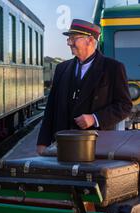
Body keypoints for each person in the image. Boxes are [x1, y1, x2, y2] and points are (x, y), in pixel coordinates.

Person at [37, 19, 132, 155]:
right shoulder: (61, 68)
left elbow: (124, 106)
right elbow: (51, 108)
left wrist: (95, 118)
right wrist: (43, 142)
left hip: (96, 147)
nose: (69, 43)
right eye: (69, 39)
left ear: (90, 40)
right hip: (61, 145)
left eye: (74, 38)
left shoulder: (113, 68)